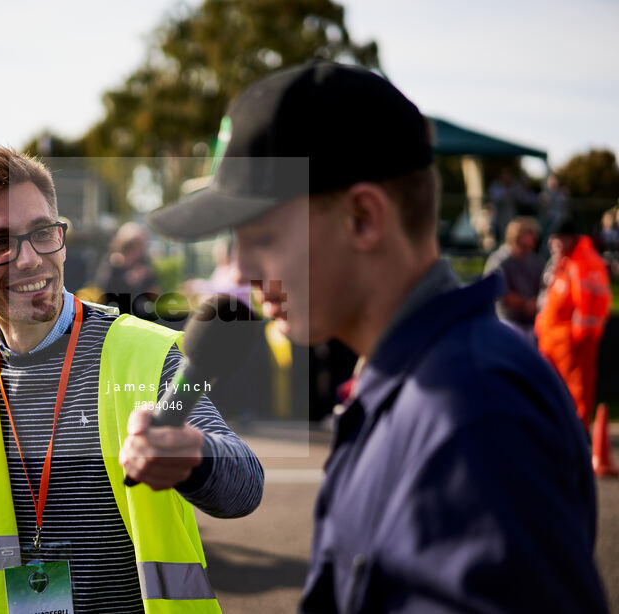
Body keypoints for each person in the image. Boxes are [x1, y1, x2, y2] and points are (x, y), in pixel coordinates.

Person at [148, 60, 608, 613]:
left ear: (364, 218)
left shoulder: (474, 414)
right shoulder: (414, 383)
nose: (240, 271)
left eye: (263, 236)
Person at [0, 146, 263, 613]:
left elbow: (245, 486)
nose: (29, 259)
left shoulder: (148, 353)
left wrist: (193, 455)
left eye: (42, 232)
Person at [536, 218, 612, 431]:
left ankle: (577, 434)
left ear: (568, 238)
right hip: (554, 344)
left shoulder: (584, 262)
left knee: (577, 391)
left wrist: (581, 337)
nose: (552, 244)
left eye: (557, 240)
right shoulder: (564, 261)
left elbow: (590, 303)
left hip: (573, 344)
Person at [482, 216, 545, 341]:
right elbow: (498, 292)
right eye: (529, 233)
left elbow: (543, 289)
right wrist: (525, 304)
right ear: (516, 235)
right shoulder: (500, 260)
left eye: (534, 234)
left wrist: (538, 302)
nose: (533, 238)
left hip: (532, 323)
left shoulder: (536, 261)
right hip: (505, 321)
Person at [96, 221, 161, 318]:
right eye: (134, 246)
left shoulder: (143, 263)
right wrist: (129, 279)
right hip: (116, 314)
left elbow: (154, 290)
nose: (138, 251)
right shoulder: (113, 263)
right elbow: (104, 289)